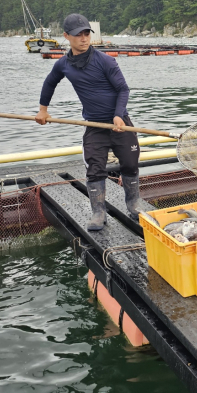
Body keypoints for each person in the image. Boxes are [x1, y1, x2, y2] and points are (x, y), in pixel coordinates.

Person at [35, 13, 150, 231]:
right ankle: (98, 213)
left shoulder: (105, 61)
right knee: (95, 169)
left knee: (130, 162)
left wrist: (118, 114)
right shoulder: (63, 65)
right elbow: (49, 83)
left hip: (120, 122)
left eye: (87, 33)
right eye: (78, 34)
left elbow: (123, 89)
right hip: (94, 125)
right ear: (66, 36)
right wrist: (43, 110)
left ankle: (133, 204)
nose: (84, 38)